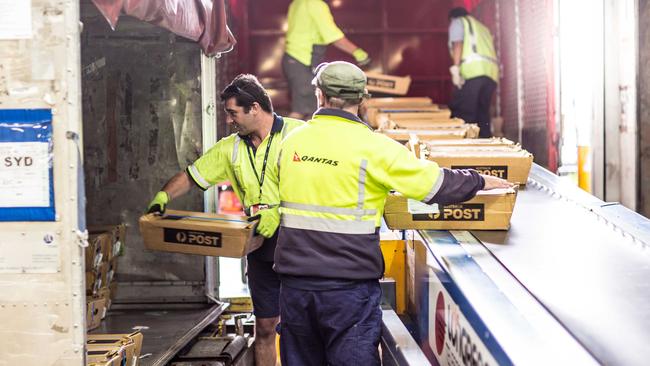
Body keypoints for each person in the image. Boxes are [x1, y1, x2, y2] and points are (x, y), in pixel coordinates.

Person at [273, 61, 513, 365]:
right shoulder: (374, 148)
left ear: (319, 95)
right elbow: (434, 185)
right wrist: (480, 180)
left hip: (295, 289)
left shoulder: (290, 142)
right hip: (347, 291)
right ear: (363, 99)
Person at [146, 74, 303, 366]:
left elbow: (322, 188)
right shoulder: (230, 148)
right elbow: (193, 175)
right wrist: (163, 196)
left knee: (300, 328)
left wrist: (280, 210)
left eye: (233, 113)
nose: (229, 120)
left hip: (300, 244)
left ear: (254, 108)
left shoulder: (299, 136)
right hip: (259, 245)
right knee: (266, 327)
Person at [283, 0, 371, 120]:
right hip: (303, 60)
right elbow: (333, 35)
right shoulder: (315, 4)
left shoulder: (297, 2)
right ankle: (286, 137)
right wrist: (359, 53)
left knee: (305, 108)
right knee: (301, 110)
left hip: (294, 60)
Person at [447, 7, 499, 138]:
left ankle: (466, 149)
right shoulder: (482, 28)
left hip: (473, 73)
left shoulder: (458, 22)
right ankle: (486, 147)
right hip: (491, 75)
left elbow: (458, 44)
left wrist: (456, 68)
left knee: (464, 113)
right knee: (482, 115)